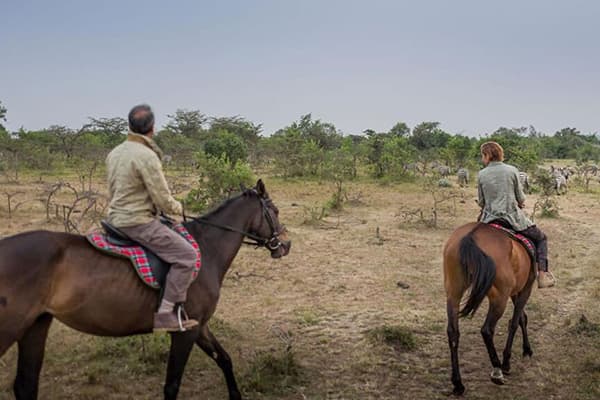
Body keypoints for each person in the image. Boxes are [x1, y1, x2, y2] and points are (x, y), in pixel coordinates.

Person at [106, 104, 199, 331]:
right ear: (152, 128)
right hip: (138, 222)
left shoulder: (114, 153)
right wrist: (180, 208)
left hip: (114, 219)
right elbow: (162, 200)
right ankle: (165, 314)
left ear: (130, 126)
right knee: (187, 256)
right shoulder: (147, 156)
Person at [477, 141, 556, 288]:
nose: (482, 158)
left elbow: (482, 202)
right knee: (541, 238)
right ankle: (542, 276)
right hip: (511, 219)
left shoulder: (481, 174)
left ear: (487, 155)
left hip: (489, 220)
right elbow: (520, 197)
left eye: (483, 155)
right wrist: (520, 203)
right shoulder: (512, 170)